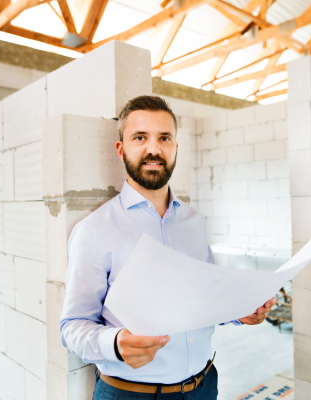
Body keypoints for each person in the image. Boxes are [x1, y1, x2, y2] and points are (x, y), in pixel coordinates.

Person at [59, 95, 276, 400]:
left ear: (175, 147)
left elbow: (205, 299)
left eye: (164, 138)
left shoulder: (194, 222)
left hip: (204, 386)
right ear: (121, 150)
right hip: (132, 395)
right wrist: (115, 342)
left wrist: (241, 312)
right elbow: (72, 327)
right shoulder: (94, 231)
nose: (153, 149)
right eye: (140, 137)